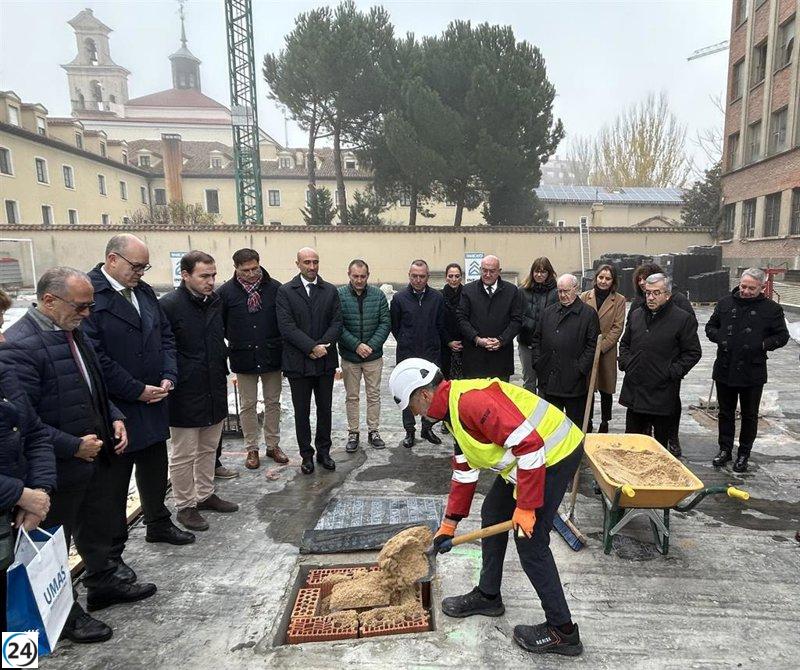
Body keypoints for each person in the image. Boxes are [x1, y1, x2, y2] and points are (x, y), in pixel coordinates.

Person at [389, 358, 585, 657]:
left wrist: (527, 507)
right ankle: (489, 595)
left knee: (530, 543)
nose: (415, 415)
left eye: (413, 407)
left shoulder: (472, 403)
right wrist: (449, 524)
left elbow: (530, 445)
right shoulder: (451, 412)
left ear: (424, 395)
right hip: (526, 461)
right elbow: (464, 472)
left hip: (554, 453)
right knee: (493, 513)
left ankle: (563, 631)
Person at [1, 268, 156, 643]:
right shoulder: (21, 346)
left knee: (99, 523)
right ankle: (65, 616)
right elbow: (27, 422)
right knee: (56, 546)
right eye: (81, 306)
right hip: (57, 466)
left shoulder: (74, 331)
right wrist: (72, 446)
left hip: (94, 454)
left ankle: (103, 581)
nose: (87, 313)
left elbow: (94, 384)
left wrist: (114, 417)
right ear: (50, 300)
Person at [83, 234, 195, 577]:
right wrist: (135, 390)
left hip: (153, 398)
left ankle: (158, 522)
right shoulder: (89, 295)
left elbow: (165, 337)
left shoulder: (144, 292)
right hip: (117, 407)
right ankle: (110, 558)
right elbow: (95, 357)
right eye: (136, 266)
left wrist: (167, 377)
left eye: (145, 267)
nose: (141, 272)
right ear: (112, 260)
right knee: (114, 486)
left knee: (153, 467)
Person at [160, 251, 238, 532]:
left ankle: (204, 495)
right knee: (184, 453)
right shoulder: (169, 306)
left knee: (209, 447)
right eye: (204, 276)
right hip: (185, 391)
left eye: (213, 275)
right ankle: (185, 505)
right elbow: (164, 349)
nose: (211, 281)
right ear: (185, 275)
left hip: (214, 384)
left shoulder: (214, 302)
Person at [0, 288, 57, 635]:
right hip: (14, 502)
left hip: (15, 524)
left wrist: (39, 492)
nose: (2, 335)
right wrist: (21, 494)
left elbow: (33, 431)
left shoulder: (3, 370)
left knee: (17, 624)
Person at [705, 268, 789, 472]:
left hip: (752, 370)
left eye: (752, 288)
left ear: (761, 287)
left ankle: (743, 453)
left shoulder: (771, 309)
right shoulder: (725, 303)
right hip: (725, 366)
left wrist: (762, 345)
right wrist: (721, 338)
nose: (746, 291)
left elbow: (782, 336)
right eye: (743, 286)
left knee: (749, 415)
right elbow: (710, 327)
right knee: (725, 413)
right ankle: (725, 449)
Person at [218, 248, 287, 469]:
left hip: (271, 353)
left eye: (254, 268)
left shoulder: (275, 288)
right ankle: (252, 449)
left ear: (260, 264)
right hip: (243, 356)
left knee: (273, 402)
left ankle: (273, 444)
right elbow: (222, 326)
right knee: (247, 405)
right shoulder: (226, 293)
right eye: (245, 270)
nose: (251, 274)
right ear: (236, 269)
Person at [276, 247, 342, 474]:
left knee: (325, 409)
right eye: (307, 262)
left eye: (315, 262)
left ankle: (324, 451)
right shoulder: (285, 292)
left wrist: (322, 346)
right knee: (301, 411)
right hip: (298, 363)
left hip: (324, 362)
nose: (312, 266)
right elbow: (286, 326)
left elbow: (337, 323)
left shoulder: (330, 291)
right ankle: (307, 454)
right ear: (298, 264)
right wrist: (311, 347)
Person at [619, 273, 701, 448]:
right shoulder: (636, 315)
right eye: (648, 293)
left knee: (658, 446)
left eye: (656, 293)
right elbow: (625, 343)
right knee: (632, 443)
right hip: (635, 390)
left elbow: (693, 353)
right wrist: (627, 363)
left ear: (667, 294)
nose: (650, 297)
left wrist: (672, 371)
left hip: (661, 393)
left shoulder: (681, 319)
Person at [390, 259, 448, 448]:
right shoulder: (399, 299)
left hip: (431, 355)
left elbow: (441, 325)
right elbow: (395, 327)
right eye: (414, 276)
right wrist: (407, 340)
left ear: (427, 277)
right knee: (407, 393)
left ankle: (427, 427)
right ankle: (409, 431)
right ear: (409, 275)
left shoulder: (437, 298)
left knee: (431, 394)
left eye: (422, 276)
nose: (418, 280)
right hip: (407, 355)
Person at [337, 259, 390, 453]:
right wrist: (356, 345)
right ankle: (353, 432)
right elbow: (337, 325)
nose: (359, 280)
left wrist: (370, 346)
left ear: (368, 275)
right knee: (352, 396)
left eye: (363, 276)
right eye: (355, 276)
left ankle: (373, 431)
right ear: (349, 275)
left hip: (373, 357)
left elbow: (385, 323)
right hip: (350, 357)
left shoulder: (378, 296)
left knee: (374, 395)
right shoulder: (339, 295)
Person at [532, 274, 599, 427]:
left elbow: (592, 346)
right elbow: (536, 340)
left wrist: (579, 369)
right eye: (560, 291)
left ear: (576, 289)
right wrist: (538, 363)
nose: (562, 295)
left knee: (575, 427)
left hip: (574, 383)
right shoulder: (548, 312)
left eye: (566, 291)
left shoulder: (588, 314)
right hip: (549, 379)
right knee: (549, 427)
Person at [457, 255, 522, 382]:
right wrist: (477, 339)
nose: (487, 274)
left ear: (499, 271)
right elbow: (461, 318)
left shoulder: (511, 291)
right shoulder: (468, 290)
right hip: (474, 358)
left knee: (498, 399)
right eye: (484, 270)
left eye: (492, 271)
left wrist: (501, 340)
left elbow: (517, 320)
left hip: (501, 359)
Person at [580, 264, 626, 432]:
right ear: (596, 278)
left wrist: (602, 347)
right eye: (601, 277)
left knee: (606, 388)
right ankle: (588, 419)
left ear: (613, 281)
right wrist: (590, 348)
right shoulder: (585, 297)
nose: (603, 281)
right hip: (587, 349)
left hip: (607, 350)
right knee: (588, 387)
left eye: (608, 278)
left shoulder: (619, 300)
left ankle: (605, 421)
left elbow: (617, 327)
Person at [518, 257, 558, 393]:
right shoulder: (522, 291)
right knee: (529, 381)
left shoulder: (556, 292)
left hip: (547, 344)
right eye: (536, 271)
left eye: (543, 272)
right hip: (526, 342)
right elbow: (516, 315)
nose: (539, 275)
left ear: (549, 273)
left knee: (545, 381)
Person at [440, 263, 464, 381]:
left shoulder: (468, 294)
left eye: (457, 276)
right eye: (450, 276)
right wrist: (448, 341)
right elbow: (438, 322)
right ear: (446, 277)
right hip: (444, 345)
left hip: (465, 344)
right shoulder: (439, 296)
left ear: (461, 277)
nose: (453, 280)